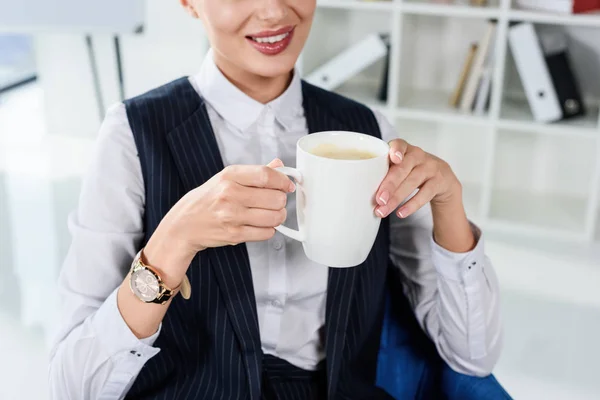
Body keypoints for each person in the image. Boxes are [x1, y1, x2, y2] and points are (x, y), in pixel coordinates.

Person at [48, 0, 502, 399]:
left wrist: (449, 206)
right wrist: (173, 241)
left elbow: (473, 358)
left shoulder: (371, 132)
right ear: (188, 2)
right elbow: (73, 388)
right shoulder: (132, 134)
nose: (273, 11)